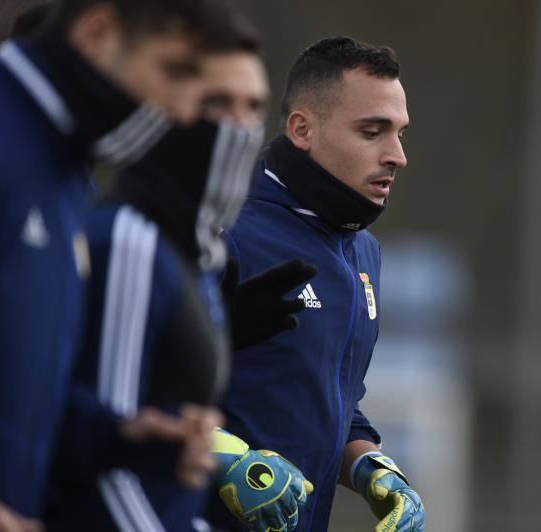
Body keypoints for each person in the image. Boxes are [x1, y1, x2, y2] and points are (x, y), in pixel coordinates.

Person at [0, 0, 251, 528]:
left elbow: (11, 392)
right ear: (98, 32)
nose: (179, 109)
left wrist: (121, 438)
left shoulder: (61, 177)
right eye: (173, 72)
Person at [215, 36, 425, 532]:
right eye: (373, 132)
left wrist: (370, 465)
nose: (397, 155)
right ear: (303, 129)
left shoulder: (364, 251)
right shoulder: (224, 232)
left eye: (399, 133)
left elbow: (331, 399)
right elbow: (132, 384)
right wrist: (223, 458)